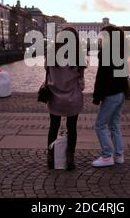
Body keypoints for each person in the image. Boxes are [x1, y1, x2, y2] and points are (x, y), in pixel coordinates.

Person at [46, 27, 86, 171]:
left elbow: (48, 74)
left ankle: (51, 157)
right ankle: (70, 158)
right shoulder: (78, 57)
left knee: (53, 126)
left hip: (55, 97)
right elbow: (81, 84)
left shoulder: (51, 54)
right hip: (72, 99)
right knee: (72, 128)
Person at [92, 25, 128, 167]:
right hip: (120, 93)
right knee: (114, 125)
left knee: (100, 125)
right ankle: (119, 155)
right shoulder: (121, 51)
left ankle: (107, 156)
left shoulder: (106, 52)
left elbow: (101, 78)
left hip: (111, 94)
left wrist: (97, 96)